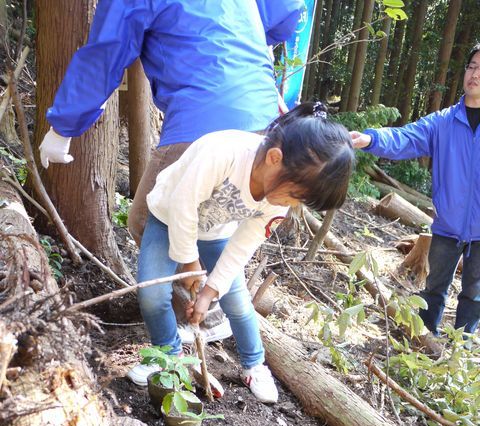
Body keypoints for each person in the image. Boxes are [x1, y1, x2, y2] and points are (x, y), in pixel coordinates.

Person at [38, 0, 303, 344]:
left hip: (202, 116)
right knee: (212, 222)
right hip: (265, 119)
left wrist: (63, 128)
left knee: (149, 219)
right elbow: (285, 13)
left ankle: (206, 315)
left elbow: (106, 53)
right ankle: (214, 304)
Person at [127, 102, 355, 403]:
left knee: (237, 301)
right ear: (275, 158)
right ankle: (168, 357)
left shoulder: (278, 199)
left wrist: (209, 291)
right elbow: (182, 205)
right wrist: (189, 261)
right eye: (295, 195)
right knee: (153, 296)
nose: (293, 204)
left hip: (215, 232)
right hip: (167, 218)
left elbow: (243, 245)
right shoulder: (223, 154)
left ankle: (254, 364)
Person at [350, 43, 480, 338]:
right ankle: (426, 343)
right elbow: (405, 137)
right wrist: (369, 139)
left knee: (474, 296)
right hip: (447, 226)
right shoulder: (444, 122)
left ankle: (459, 354)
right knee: (434, 289)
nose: (475, 74)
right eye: (472, 66)